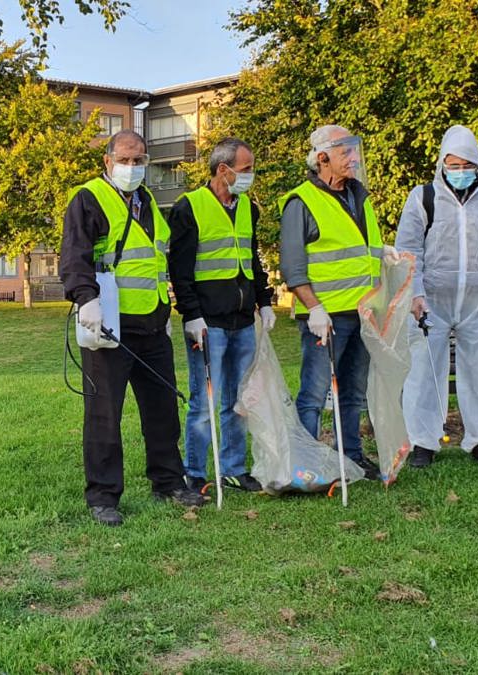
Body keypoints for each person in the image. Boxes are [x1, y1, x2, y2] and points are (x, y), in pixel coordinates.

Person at [61, 129, 206, 527]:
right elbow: (75, 254)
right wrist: (85, 297)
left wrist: (177, 312)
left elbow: (159, 261)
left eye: (139, 160)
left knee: (161, 411)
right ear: (107, 162)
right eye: (125, 159)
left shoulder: (148, 203)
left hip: (153, 323)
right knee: (104, 414)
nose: (132, 167)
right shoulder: (88, 197)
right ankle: (103, 497)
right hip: (109, 325)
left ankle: (169, 482)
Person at [395, 125, 478, 470]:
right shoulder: (422, 196)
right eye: (452, 165)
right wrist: (414, 294)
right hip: (432, 302)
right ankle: (422, 443)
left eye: (465, 165)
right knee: (423, 372)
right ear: (441, 164)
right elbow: (409, 250)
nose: (459, 172)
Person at [278, 124, 393, 481]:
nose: (355, 158)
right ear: (323, 157)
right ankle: (305, 464)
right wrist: (313, 308)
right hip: (325, 316)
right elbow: (293, 267)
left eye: (355, 150)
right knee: (313, 393)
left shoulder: (360, 195)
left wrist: (384, 254)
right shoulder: (301, 202)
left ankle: (352, 458)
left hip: (362, 312)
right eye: (346, 151)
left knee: (353, 393)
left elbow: (362, 249)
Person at [168, 138, 275, 493]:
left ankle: (232, 468)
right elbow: (180, 269)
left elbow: (252, 260)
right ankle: (195, 472)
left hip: (242, 319)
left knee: (238, 399)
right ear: (223, 170)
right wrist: (191, 315)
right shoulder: (189, 208)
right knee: (203, 401)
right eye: (245, 170)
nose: (250, 176)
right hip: (208, 322)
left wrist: (266, 300)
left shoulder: (247, 208)